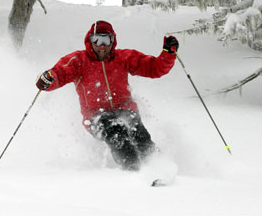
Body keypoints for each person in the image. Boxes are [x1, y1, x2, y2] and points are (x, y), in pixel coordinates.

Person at [36, 20, 179, 171]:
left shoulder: (123, 57)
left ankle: (160, 166)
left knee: (137, 129)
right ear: (89, 41)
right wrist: (48, 79)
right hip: (94, 116)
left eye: (106, 40)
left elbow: (154, 68)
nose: (101, 45)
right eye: (96, 40)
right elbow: (60, 73)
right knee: (115, 131)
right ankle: (133, 169)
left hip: (124, 107)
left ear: (113, 40)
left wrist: (168, 54)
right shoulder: (78, 61)